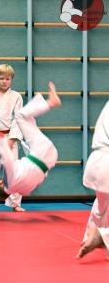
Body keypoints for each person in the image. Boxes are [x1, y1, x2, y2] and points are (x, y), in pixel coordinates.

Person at [0, 82, 61, 199]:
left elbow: (35, 177)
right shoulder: (10, 178)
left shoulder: (24, 191)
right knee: (20, 116)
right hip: (40, 150)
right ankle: (51, 102)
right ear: (0, 182)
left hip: (50, 159)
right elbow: (6, 156)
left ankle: (49, 103)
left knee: (28, 121)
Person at [0, 63, 25, 212]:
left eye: (8, 79)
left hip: (10, 138)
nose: (4, 81)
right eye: (1, 78)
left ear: (11, 79)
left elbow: (19, 119)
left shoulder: (16, 97)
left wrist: (12, 139)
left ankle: (15, 204)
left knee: (12, 173)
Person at [76, 100, 109, 258]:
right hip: (107, 160)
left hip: (97, 160)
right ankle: (102, 235)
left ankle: (90, 235)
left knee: (102, 203)